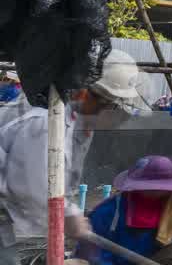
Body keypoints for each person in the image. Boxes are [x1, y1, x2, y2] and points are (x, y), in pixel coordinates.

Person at [0, 51, 146, 265]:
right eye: (109, 103)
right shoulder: (43, 120)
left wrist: (71, 214)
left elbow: (61, 181)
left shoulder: (77, 120)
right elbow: (33, 190)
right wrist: (70, 217)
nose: (111, 111)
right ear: (85, 91)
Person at [77, 156, 172, 265]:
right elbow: (93, 252)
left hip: (148, 260)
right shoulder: (108, 211)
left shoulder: (171, 204)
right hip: (110, 261)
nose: (156, 192)